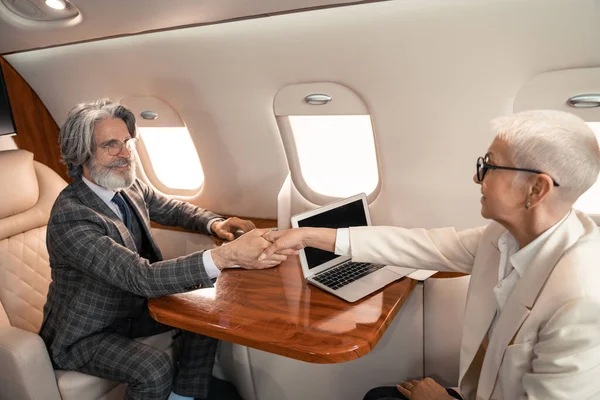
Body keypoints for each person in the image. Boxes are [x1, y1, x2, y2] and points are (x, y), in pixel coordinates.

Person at [259, 110, 600, 400]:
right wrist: (308, 235)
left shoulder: (579, 300)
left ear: (536, 189)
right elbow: (419, 246)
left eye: (489, 166)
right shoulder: (504, 236)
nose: (475, 176)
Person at [40, 99, 288, 400]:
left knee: (206, 312)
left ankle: (183, 396)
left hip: (131, 309)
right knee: (153, 368)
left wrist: (214, 225)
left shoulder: (126, 186)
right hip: (85, 334)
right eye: (111, 145)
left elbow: (171, 209)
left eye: (129, 142)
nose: (126, 154)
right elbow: (140, 277)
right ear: (81, 154)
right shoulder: (72, 216)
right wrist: (226, 255)